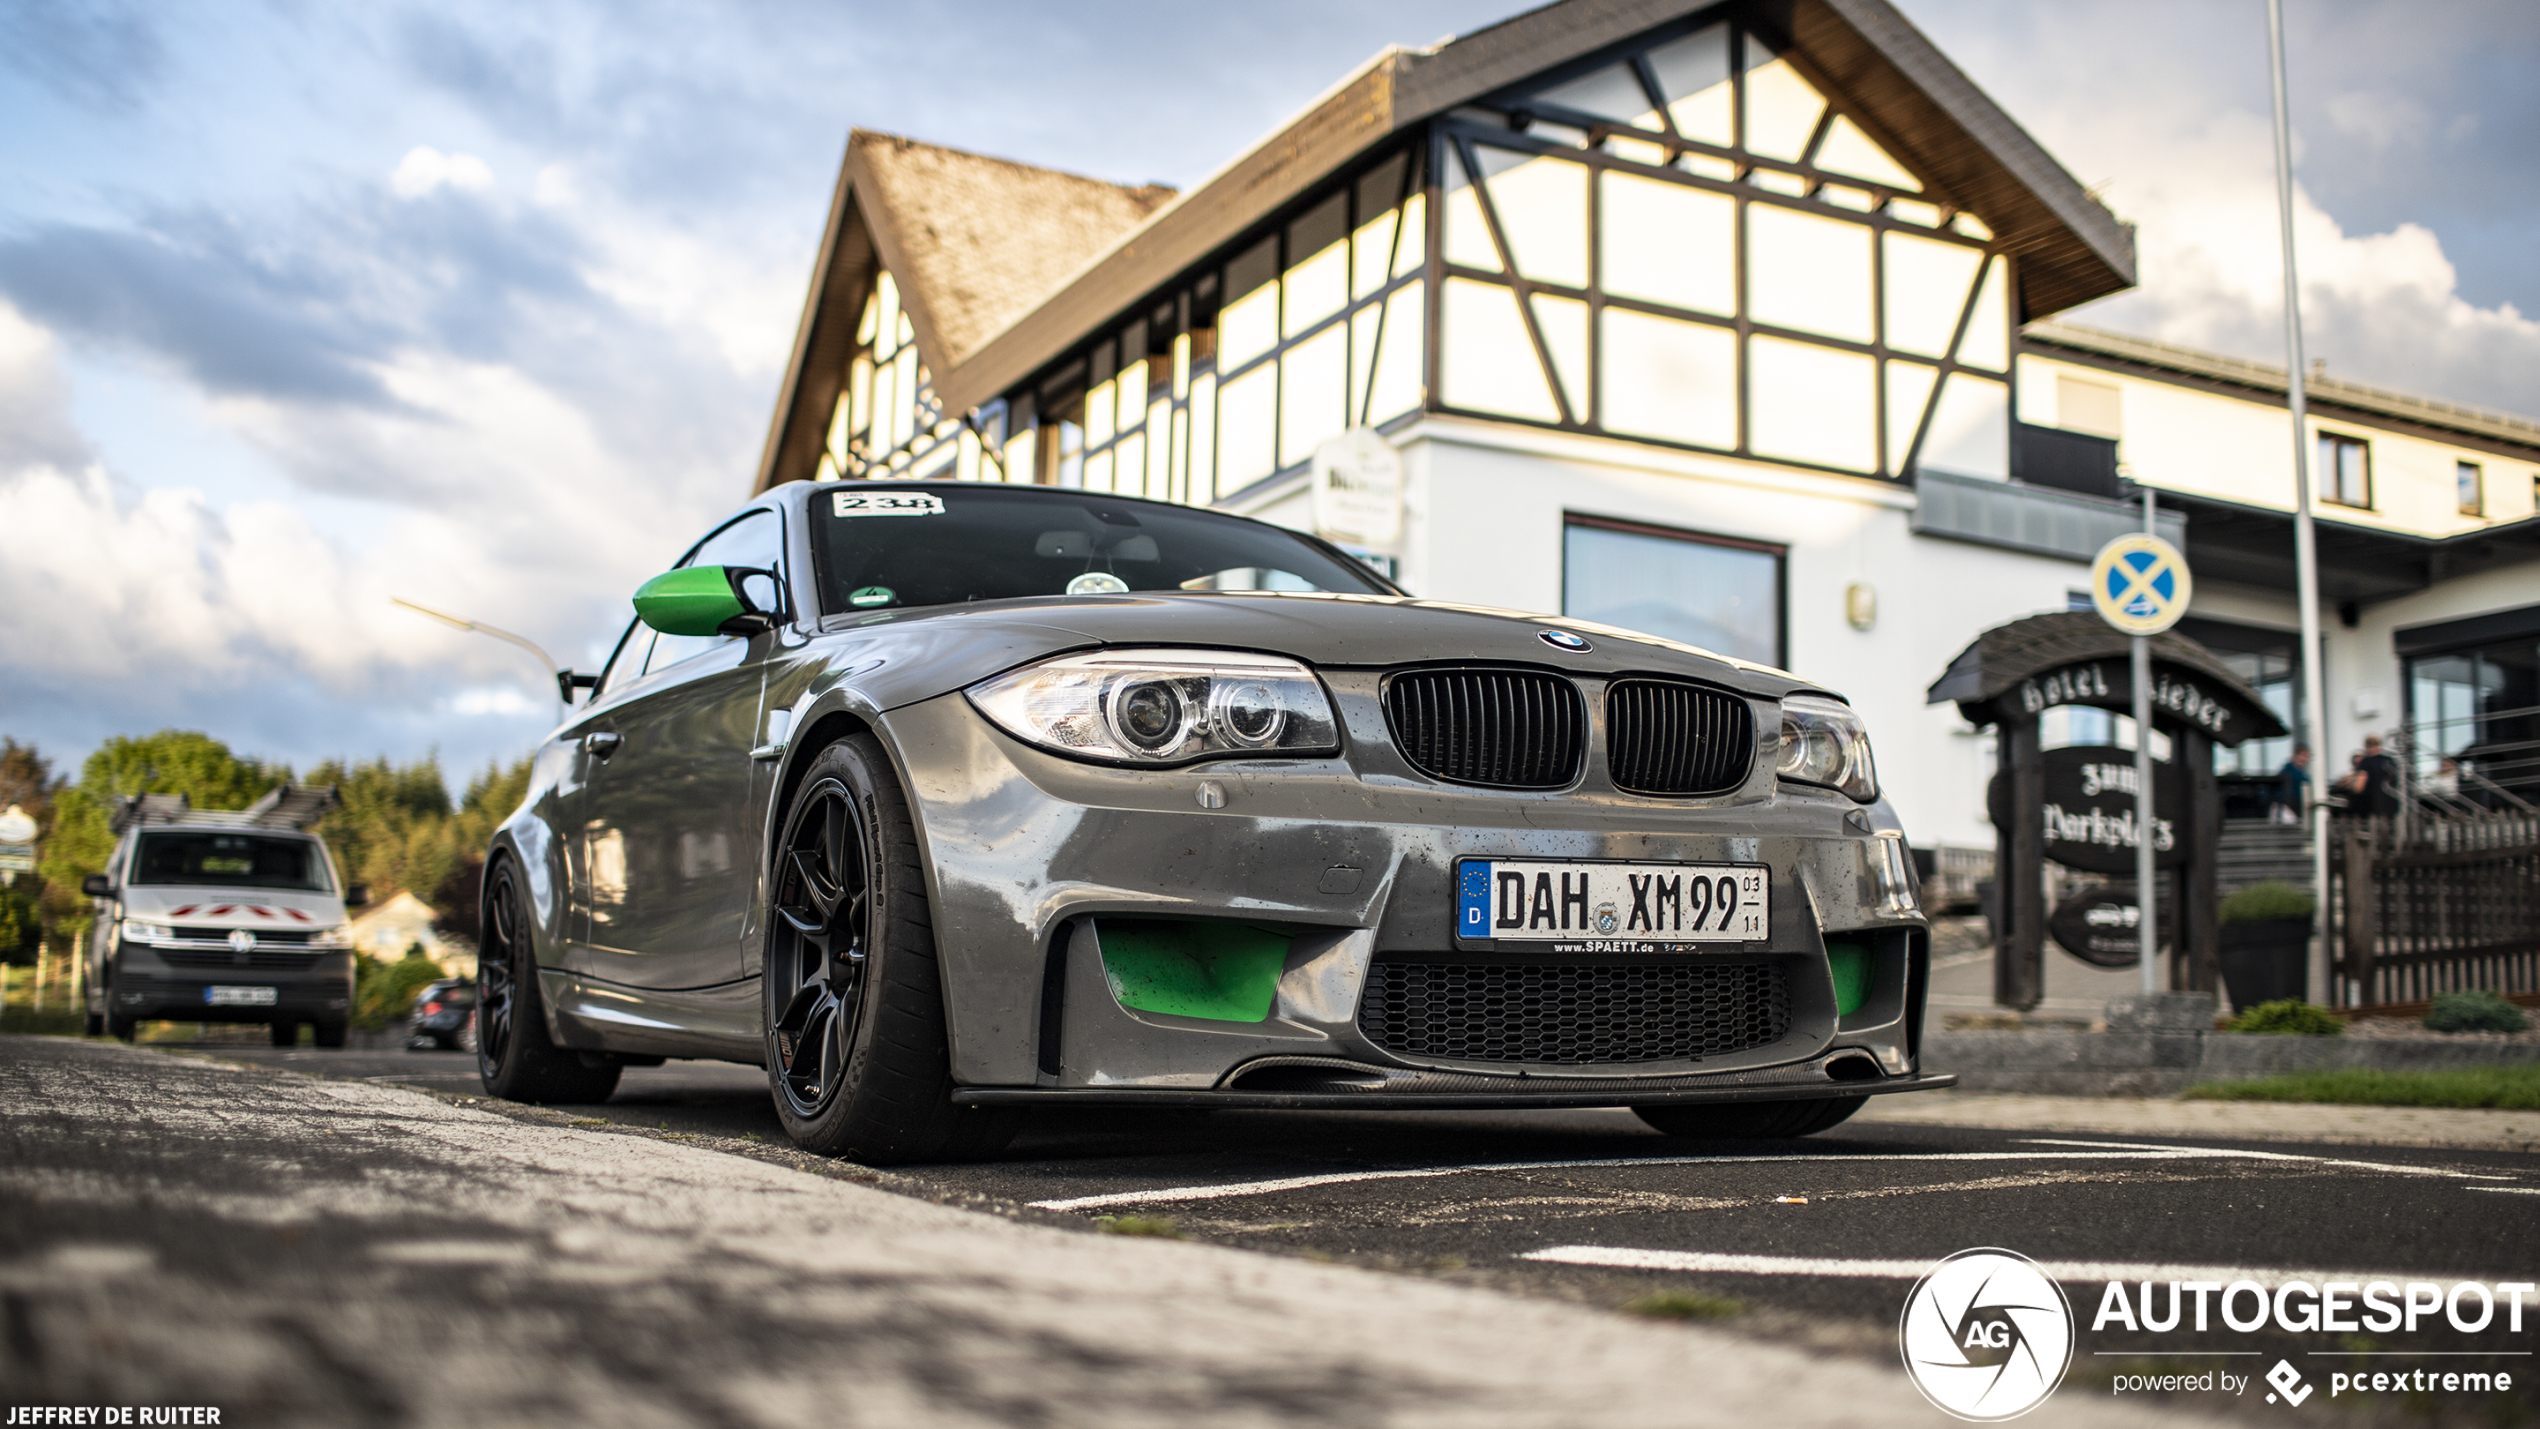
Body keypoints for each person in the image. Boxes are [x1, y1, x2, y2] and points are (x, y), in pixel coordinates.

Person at [2353, 734, 2399, 817]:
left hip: (2374, 808)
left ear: (2366, 746)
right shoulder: (2390, 761)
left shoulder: (2366, 762)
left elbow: (2359, 786)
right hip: (2393, 807)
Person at [2271, 745, 2310, 824]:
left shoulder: (2300, 773)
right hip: (2286, 808)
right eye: (2301, 755)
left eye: (2305, 756)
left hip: (2294, 809)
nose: (2303, 758)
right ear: (2294, 756)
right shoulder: (2289, 772)